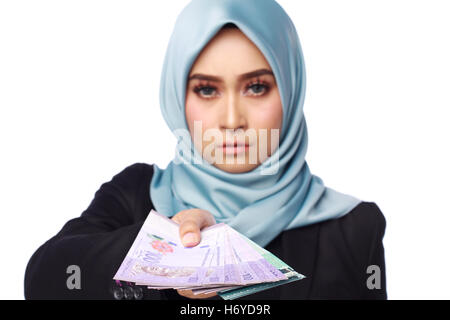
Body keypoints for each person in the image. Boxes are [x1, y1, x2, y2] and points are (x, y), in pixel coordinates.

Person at [24, 0, 387, 300]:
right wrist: (162, 249)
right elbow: (44, 280)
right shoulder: (139, 194)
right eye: (207, 90)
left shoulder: (354, 229)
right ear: (177, 97)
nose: (232, 120)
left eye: (257, 87)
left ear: (291, 91)